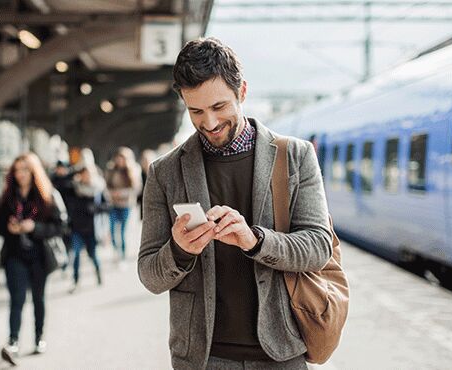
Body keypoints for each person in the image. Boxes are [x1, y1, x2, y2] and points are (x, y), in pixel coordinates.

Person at [137, 37, 333, 369]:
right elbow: (150, 275)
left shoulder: (296, 157)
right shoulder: (164, 173)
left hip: (281, 352)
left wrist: (255, 240)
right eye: (195, 111)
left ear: (242, 92)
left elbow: (318, 247)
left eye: (219, 107)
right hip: (202, 357)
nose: (209, 123)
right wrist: (180, 250)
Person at [0, 152, 66, 365]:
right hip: (14, 254)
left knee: (38, 297)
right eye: (17, 170)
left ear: (34, 171)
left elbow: (61, 226)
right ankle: (13, 342)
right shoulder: (8, 196)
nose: (21, 174)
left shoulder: (47, 195)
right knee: (16, 298)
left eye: (25, 169)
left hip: (39, 255)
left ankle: (39, 337)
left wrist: (34, 227)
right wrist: (9, 228)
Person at [69, 148, 106, 292]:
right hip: (77, 227)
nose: (86, 176)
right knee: (76, 254)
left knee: (93, 255)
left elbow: (107, 205)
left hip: (92, 228)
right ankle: (76, 280)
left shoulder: (98, 189)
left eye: (88, 173)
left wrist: (95, 208)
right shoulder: (74, 188)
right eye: (83, 173)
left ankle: (98, 272)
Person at [104, 147, 141, 261]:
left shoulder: (132, 170)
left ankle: (123, 254)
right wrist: (111, 194)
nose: (120, 161)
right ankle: (116, 250)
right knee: (112, 228)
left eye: (122, 159)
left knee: (123, 231)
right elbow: (106, 187)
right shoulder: (111, 170)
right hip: (113, 204)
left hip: (126, 205)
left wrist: (121, 193)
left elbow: (136, 189)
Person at [138, 149, 157, 220]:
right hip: (143, 200)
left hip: (154, 201)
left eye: (147, 159)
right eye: (144, 160)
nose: (146, 162)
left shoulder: (156, 173)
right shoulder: (140, 173)